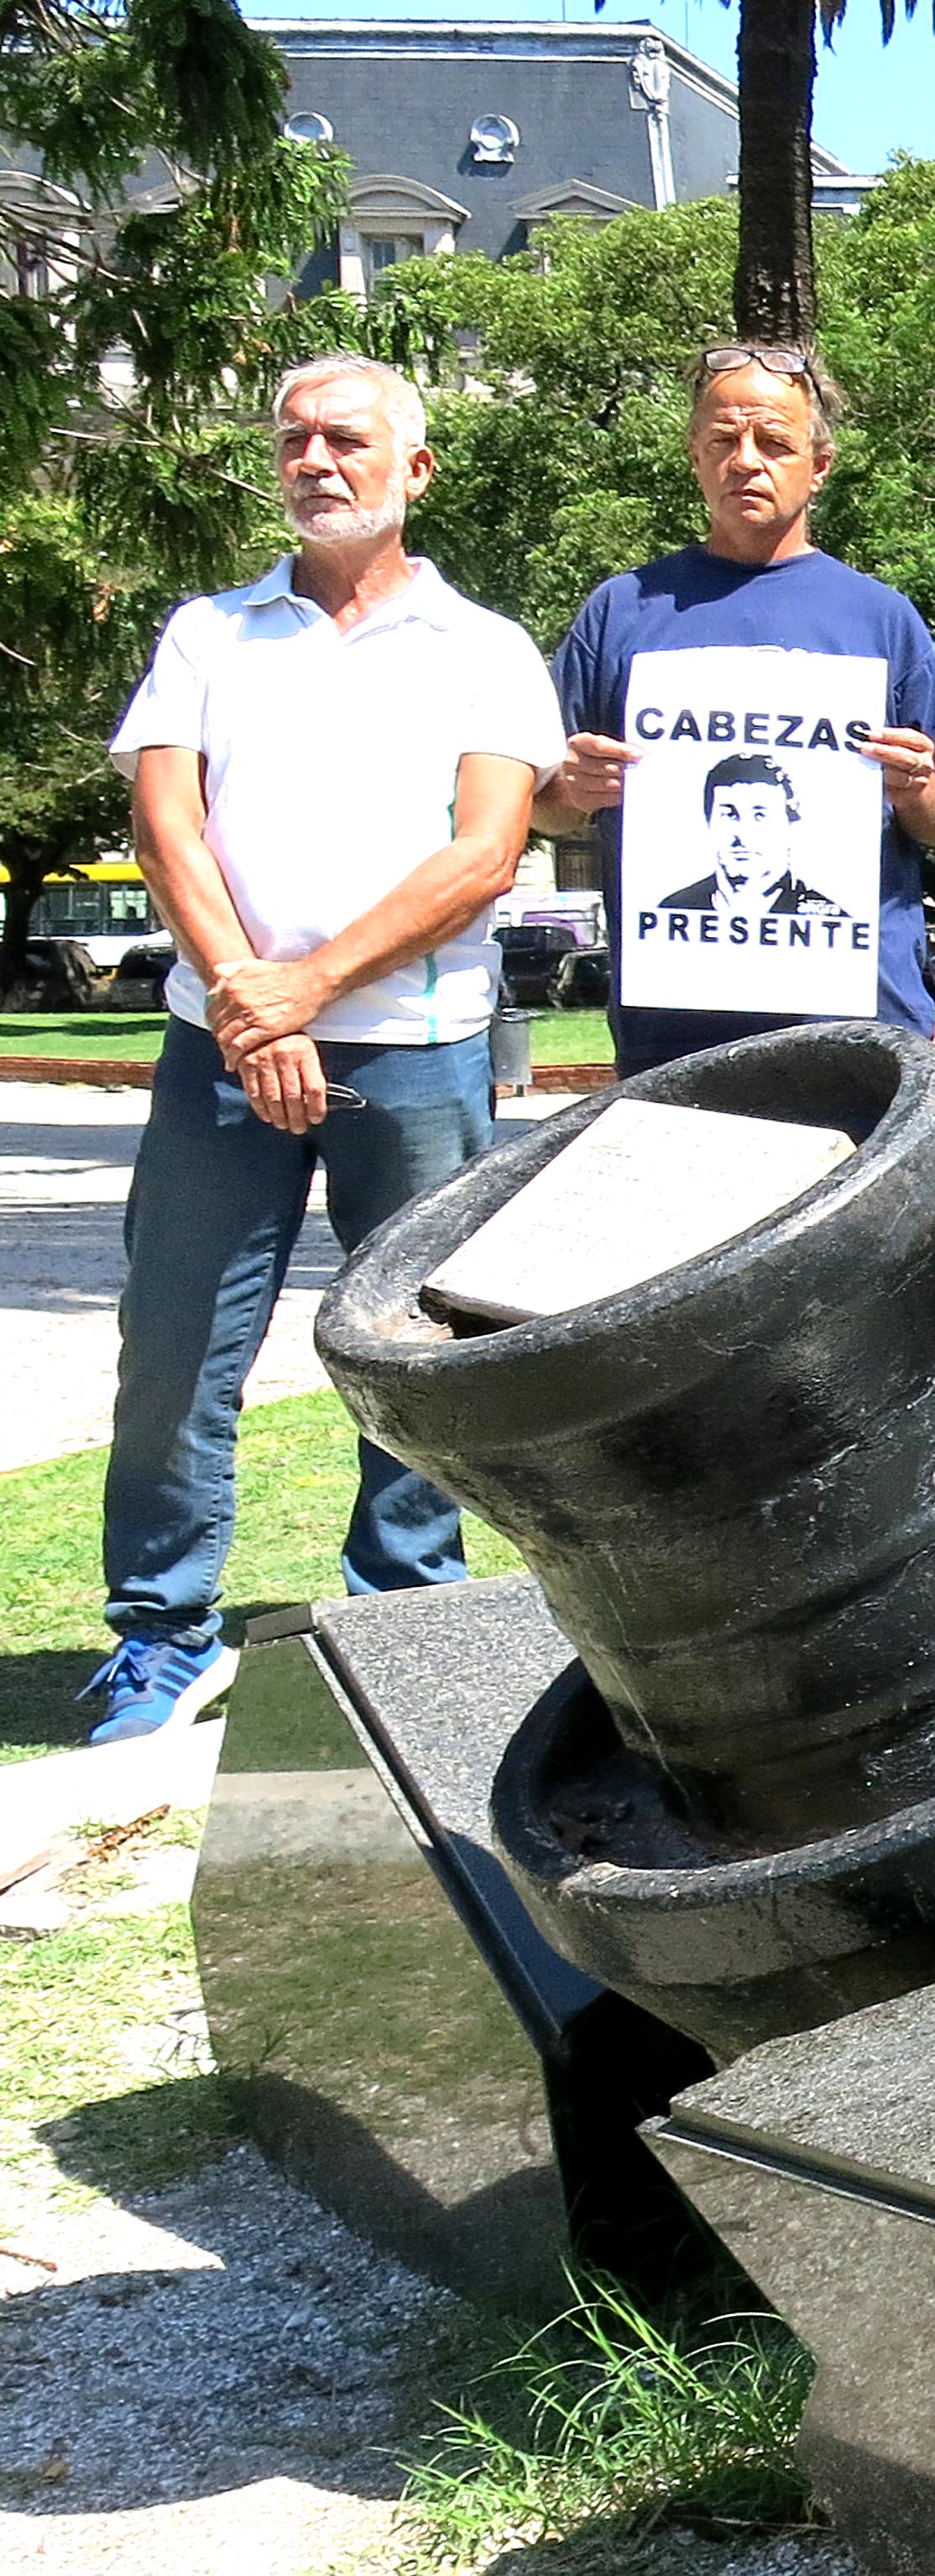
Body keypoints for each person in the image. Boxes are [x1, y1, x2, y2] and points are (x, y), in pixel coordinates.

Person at [85, 354, 567, 1743]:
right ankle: (159, 1643)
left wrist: (303, 989)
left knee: (418, 1357)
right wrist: (250, 999)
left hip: (414, 1055)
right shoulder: (210, 636)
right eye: (295, 440)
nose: (316, 461)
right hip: (218, 1051)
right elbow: (166, 826)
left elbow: (482, 857)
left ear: (414, 470)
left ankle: (406, 1625)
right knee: (175, 1346)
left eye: (348, 440)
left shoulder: (482, 649)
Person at [536, 343, 935, 1077]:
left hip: (858, 1026)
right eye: (724, 440)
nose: (747, 460)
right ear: (694, 454)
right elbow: (542, 810)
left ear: (821, 464)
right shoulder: (621, 611)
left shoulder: (881, 619)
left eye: (775, 442)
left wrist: (914, 787)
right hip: (673, 1030)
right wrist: (571, 792)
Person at [644, 756, 850, 923]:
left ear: (790, 825)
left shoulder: (830, 920)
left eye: (760, 816)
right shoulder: (672, 911)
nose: (742, 834)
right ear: (708, 820)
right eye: (729, 814)